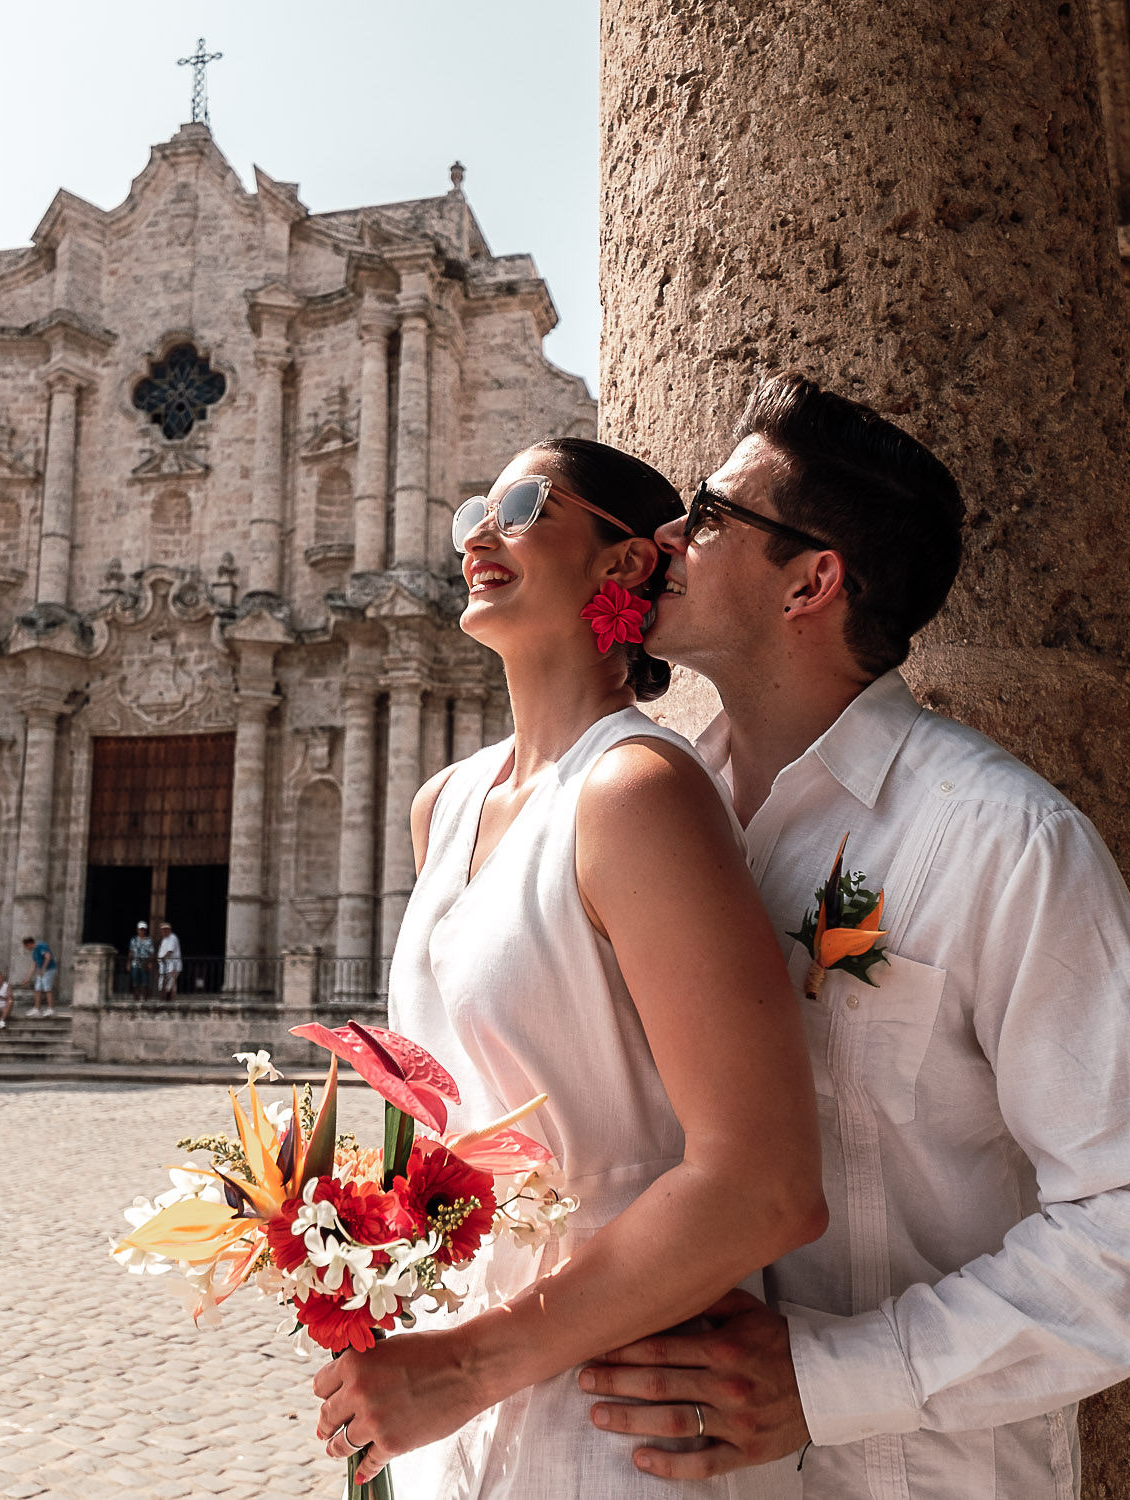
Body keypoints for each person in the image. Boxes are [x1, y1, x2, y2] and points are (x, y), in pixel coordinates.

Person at [577, 375, 1130, 1495]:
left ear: (811, 581)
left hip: (915, 1478)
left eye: (712, 512)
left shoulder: (1006, 840)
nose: (670, 537)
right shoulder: (650, 818)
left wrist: (828, 1384)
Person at [314, 437, 827, 1496]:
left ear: (625, 563)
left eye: (524, 503)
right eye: (471, 513)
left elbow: (765, 1186)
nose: (479, 534)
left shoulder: (637, 791)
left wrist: (463, 1367)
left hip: (621, 1403)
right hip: (446, 1396)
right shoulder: (442, 808)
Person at [21, 936, 57, 1017]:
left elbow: (48, 957)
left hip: (49, 970)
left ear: (29, 944)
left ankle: (51, 1009)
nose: (26, 948)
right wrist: (28, 979)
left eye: (26, 946)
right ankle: (37, 1009)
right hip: (42, 971)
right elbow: (33, 966)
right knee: (37, 988)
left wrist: (43, 969)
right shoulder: (34, 952)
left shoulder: (42, 946)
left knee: (47, 988)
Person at [153, 922, 181, 1001]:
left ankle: (171, 1001)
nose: (164, 931)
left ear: (169, 930)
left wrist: (163, 958)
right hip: (164, 966)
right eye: (163, 930)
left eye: (166, 929)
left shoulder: (172, 938)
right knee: (164, 985)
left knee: (171, 984)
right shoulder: (164, 939)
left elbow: (170, 951)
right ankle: (164, 1001)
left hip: (172, 965)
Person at [128, 923, 156, 1000]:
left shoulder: (149, 940)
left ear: (145, 930)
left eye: (143, 929)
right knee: (135, 982)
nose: (142, 931)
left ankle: (145, 999)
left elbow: (152, 953)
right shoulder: (133, 939)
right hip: (135, 963)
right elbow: (131, 951)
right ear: (138, 930)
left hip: (145, 963)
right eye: (140, 929)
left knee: (145, 982)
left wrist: (150, 962)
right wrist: (128, 963)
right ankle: (136, 998)